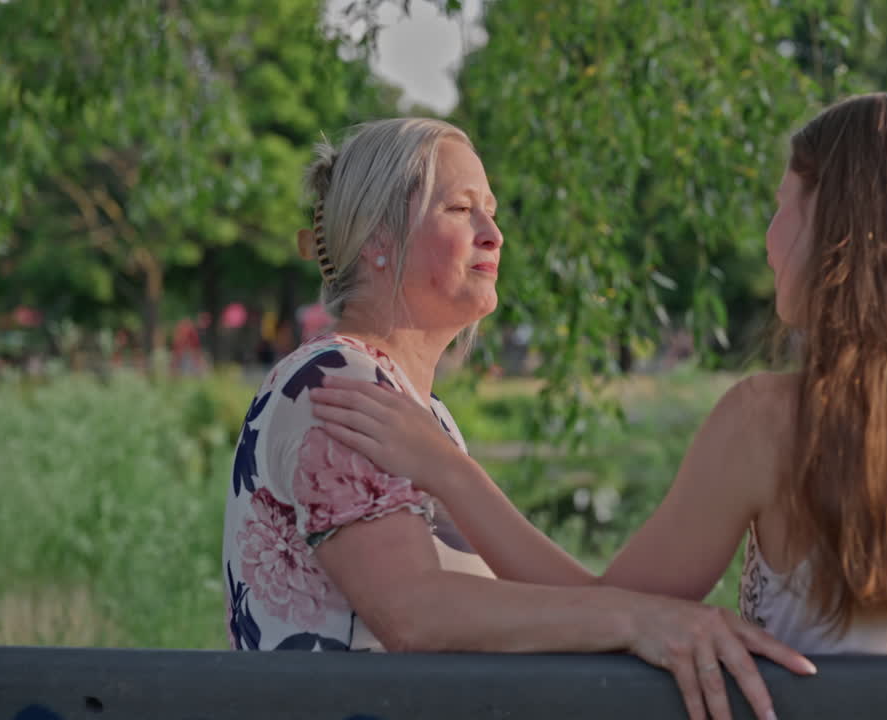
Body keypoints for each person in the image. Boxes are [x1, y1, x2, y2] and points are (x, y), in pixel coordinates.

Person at [309, 94, 887, 656]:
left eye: (784, 205)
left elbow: (608, 611)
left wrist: (448, 471)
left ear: (835, 230)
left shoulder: (774, 421)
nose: (768, 238)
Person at [221, 118, 814, 720]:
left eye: (492, 211)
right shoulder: (335, 378)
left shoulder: (421, 415)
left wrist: (645, 618)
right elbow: (414, 614)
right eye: (461, 208)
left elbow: (547, 607)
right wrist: (640, 619)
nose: (494, 233)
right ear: (379, 237)